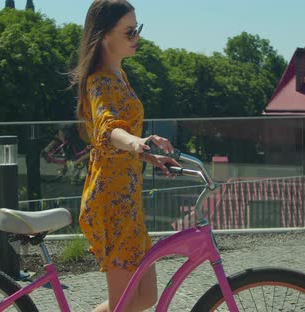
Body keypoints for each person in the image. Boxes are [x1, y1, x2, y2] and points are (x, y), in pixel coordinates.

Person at [70, 1, 180, 311]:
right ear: (104, 35)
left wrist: (147, 155)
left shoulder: (120, 76)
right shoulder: (99, 82)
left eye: (137, 29)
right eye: (129, 31)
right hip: (112, 201)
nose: (137, 37)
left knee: (146, 297)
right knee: (124, 305)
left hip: (128, 197)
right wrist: (136, 142)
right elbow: (108, 130)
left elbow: (122, 139)